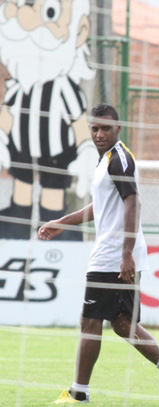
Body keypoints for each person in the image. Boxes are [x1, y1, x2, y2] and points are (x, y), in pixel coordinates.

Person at [38, 103, 159, 404]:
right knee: (123, 323)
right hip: (117, 251)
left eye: (105, 129)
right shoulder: (106, 161)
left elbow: (132, 202)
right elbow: (100, 208)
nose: (99, 134)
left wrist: (126, 254)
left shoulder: (120, 159)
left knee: (90, 322)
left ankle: (78, 392)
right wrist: (62, 222)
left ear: (118, 128)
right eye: (95, 129)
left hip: (113, 254)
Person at [0, 0, 97, 239]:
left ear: (80, 31)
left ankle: (57, 235)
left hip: (56, 157)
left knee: (53, 202)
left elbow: (78, 121)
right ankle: (16, 232)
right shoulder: (18, 87)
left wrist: (86, 150)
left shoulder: (64, 89)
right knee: (20, 199)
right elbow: (7, 116)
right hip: (20, 154)